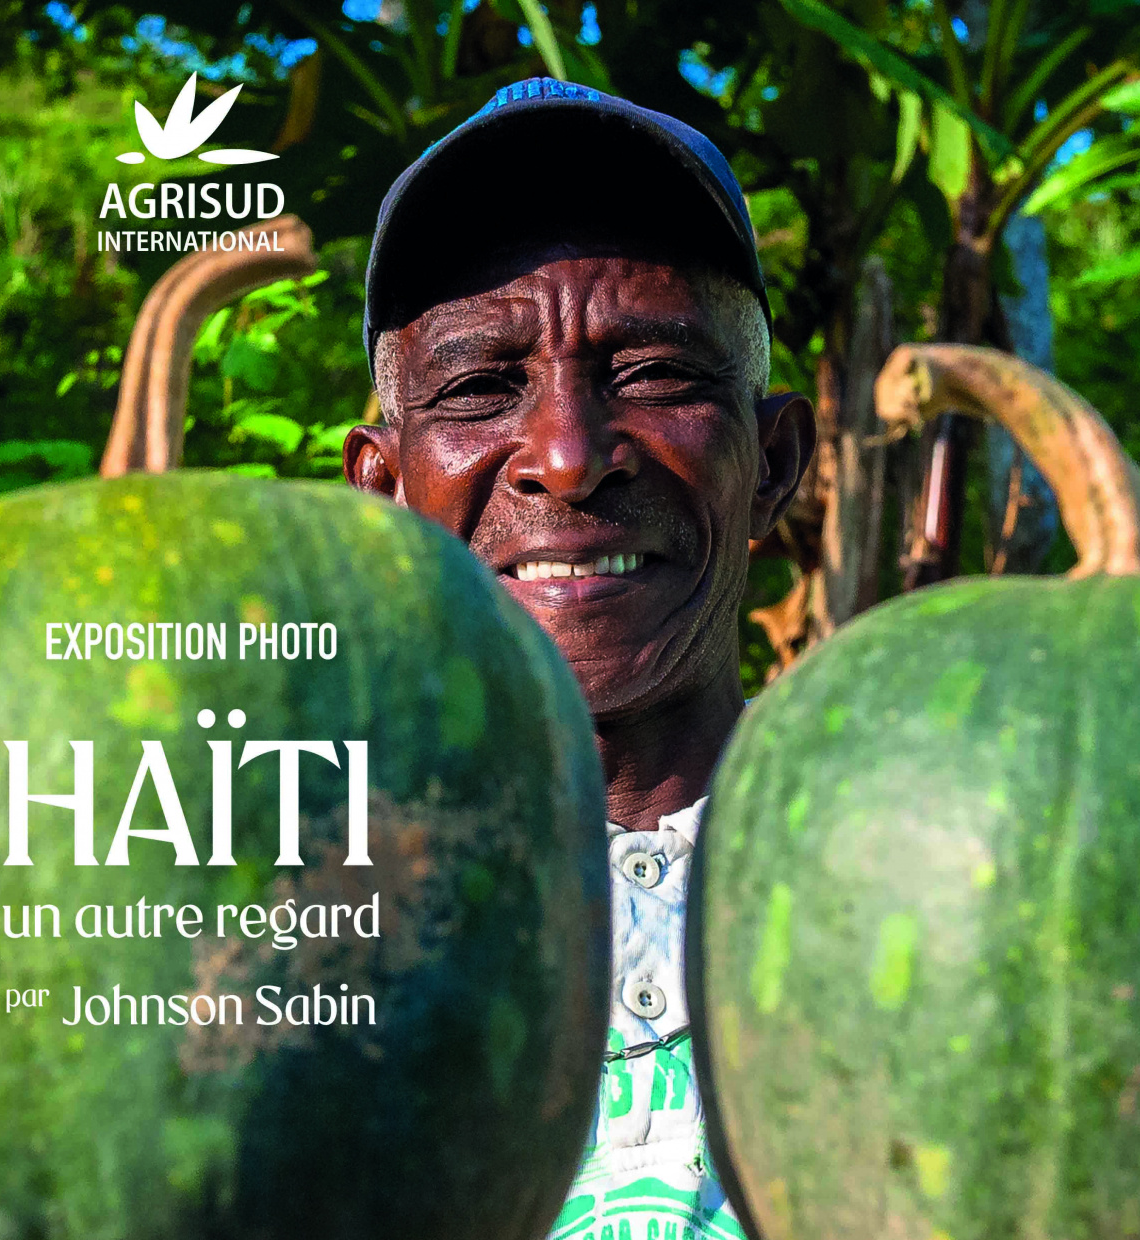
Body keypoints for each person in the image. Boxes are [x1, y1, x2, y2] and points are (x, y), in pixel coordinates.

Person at [343, 77, 815, 1240]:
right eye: (477, 388)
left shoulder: (937, 866)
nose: (566, 456)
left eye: (654, 374)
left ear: (773, 460)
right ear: (379, 491)